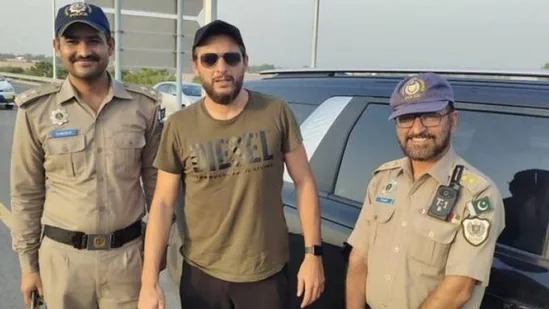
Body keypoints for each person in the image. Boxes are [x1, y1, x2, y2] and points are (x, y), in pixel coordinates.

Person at [138, 20, 325, 309]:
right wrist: (149, 283)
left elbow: (305, 182)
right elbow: (162, 203)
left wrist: (313, 255)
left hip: (266, 273)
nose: (221, 67)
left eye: (231, 57)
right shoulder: (179, 126)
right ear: (196, 66)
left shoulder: (275, 112)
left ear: (244, 62)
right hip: (202, 275)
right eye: (210, 59)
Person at [10, 2, 163, 308]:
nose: (83, 50)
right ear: (57, 47)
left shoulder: (143, 107)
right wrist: (29, 266)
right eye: (72, 41)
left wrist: (157, 255)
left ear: (110, 45)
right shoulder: (36, 111)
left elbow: (159, 190)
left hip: (128, 261)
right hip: (62, 263)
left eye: (93, 40)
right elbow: (26, 193)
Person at [345, 73, 505, 309]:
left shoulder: (479, 195)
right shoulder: (383, 179)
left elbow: (459, 288)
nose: (417, 129)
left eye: (430, 116)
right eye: (406, 118)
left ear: (453, 120)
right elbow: (360, 259)